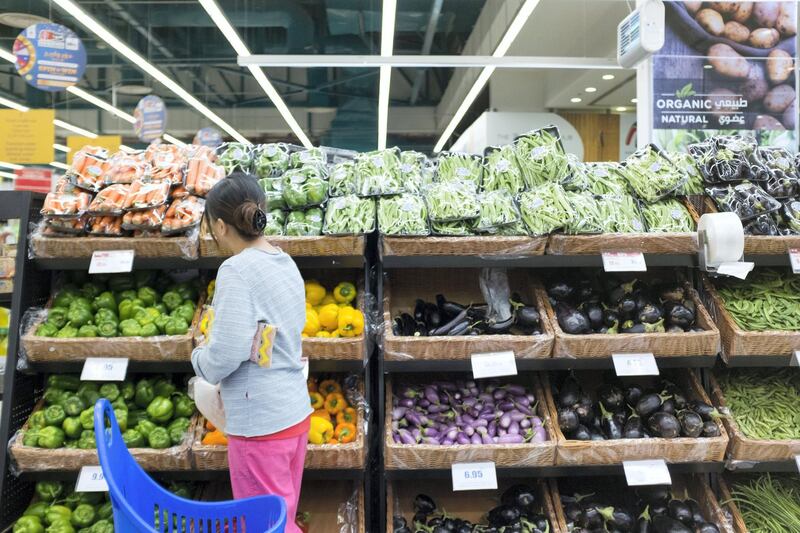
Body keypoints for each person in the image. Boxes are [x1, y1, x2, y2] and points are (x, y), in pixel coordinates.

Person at [191, 173, 310, 531]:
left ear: (221, 225)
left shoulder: (236, 270)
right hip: (293, 413)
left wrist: (199, 358)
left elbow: (225, 354)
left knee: (262, 525)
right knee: (282, 515)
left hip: (259, 423)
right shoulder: (284, 261)